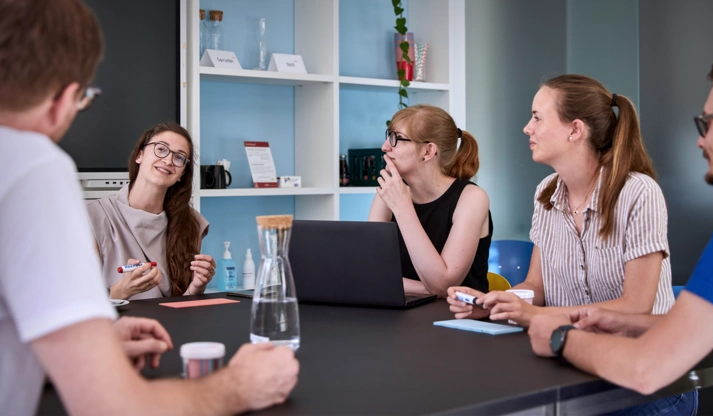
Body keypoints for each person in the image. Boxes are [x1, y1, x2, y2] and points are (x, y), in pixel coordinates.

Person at [0, 1, 298, 415]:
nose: (168, 161)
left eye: (179, 158)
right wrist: (238, 386)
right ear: (65, 97)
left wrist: (93, 341)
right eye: (85, 99)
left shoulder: (187, 222)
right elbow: (112, 404)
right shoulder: (34, 169)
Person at [528, 53, 713, 414]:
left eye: (708, 122)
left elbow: (646, 370)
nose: (700, 142)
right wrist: (615, 319)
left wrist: (562, 336)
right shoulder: (547, 192)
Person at [448, 74, 675, 327]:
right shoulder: (547, 192)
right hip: (568, 345)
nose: (527, 128)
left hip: (640, 353)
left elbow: (636, 306)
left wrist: (537, 316)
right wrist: (493, 305)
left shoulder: (639, 192)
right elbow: (536, 287)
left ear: (575, 130)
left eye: (537, 117)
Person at [368, 105, 493, 296]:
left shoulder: (471, 199)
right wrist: (428, 290)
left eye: (396, 138)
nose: (385, 146)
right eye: (388, 135)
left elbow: (443, 284)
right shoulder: (390, 191)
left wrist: (402, 207)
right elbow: (371, 272)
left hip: (458, 318)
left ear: (427, 151)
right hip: (400, 314)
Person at [87, 122, 216, 300]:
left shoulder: (191, 222)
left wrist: (196, 287)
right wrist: (121, 291)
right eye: (161, 149)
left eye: (179, 157)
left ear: (181, 174)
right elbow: (75, 305)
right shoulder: (91, 217)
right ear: (139, 155)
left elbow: (181, 310)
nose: (168, 160)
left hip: (173, 326)